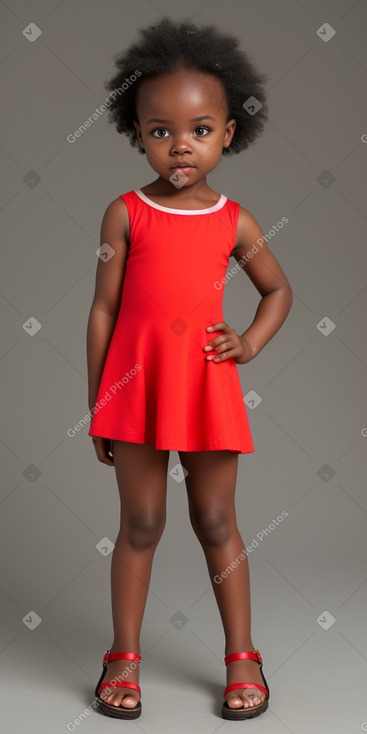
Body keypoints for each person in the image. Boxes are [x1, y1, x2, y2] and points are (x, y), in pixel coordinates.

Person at [87, 16, 293, 721]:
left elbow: (277, 290)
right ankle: (123, 656)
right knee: (140, 522)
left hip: (205, 385)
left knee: (214, 519)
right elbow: (102, 315)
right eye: (160, 130)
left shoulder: (234, 220)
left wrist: (251, 343)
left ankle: (243, 655)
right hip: (136, 389)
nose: (180, 145)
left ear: (228, 134)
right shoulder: (123, 214)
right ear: (136, 133)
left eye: (200, 129)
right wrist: (99, 403)